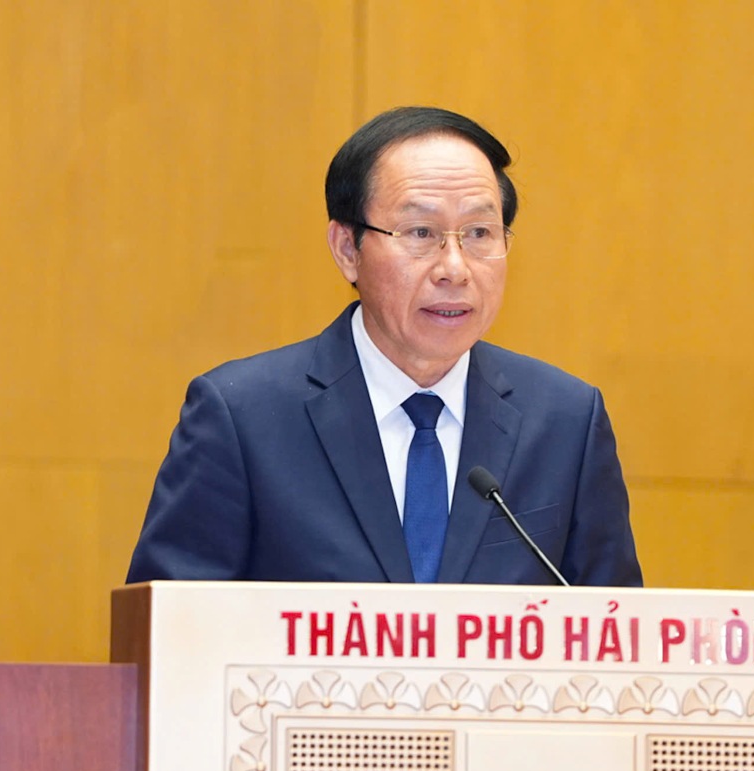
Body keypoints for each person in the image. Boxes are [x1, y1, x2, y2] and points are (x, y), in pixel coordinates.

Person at [126, 107, 642, 587]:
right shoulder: (242, 418)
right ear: (348, 249)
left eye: (481, 232)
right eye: (420, 232)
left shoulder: (566, 422)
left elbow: (617, 638)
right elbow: (169, 635)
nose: (455, 269)